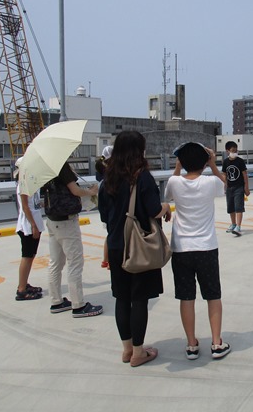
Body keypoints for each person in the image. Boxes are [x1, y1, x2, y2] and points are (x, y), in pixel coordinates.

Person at [98, 131, 171, 367]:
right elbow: (152, 210)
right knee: (139, 299)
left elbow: (103, 215)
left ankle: (127, 349)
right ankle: (139, 353)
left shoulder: (107, 179)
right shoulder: (143, 177)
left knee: (122, 298)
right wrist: (166, 207)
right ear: (139, 150)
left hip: (117, 245)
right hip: (138, 246)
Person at [165, 142, 231, 360]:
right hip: (206, 247)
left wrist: (178, 166)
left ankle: (192, 344)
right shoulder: (211, 182)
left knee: (187, 297)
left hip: (182, 248)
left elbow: (168, 193)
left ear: (182, 162)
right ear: (203, 162)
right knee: (213, 295)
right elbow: (226, 183)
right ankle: (216, 343)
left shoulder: (174, 181)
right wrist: (212, 164)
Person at [45, 161, 103, 317]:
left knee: (55, 263)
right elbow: (75, 190)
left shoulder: (46, 167)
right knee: (75, 263)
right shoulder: (61, 166)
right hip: (67, 222)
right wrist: (90, 192)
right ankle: (78, 305)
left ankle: (56, 301)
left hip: (52, 219)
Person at [14, 157, 44, 301]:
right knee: (27, 256)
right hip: (28, 225)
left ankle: (24, 284)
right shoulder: (23, 184)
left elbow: (34, 204)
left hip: (34, 223)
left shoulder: (30, 182)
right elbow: (25, 207)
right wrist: (33, 225)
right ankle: (21, 289)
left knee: (31, 255)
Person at [222, 141, 250, 236]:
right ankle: (233, 224)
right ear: (227, 151)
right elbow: (224, 175)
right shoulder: (225, 162)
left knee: (239, 207)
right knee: (230, 207)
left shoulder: (240, 161)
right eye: (233, 150)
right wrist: (225, 186)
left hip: (239, 187)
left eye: (236, 150)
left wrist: (246, 187)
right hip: (230, 188)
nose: (235, 152)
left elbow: (245, 174)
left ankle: (238, 226)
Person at [95, 145, 113, 268]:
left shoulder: (100, 174)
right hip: (112, 213)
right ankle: (109, 260)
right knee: (112, 236)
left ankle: (106, 260)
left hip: (106, 214)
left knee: (109, 235)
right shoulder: (111, 177)